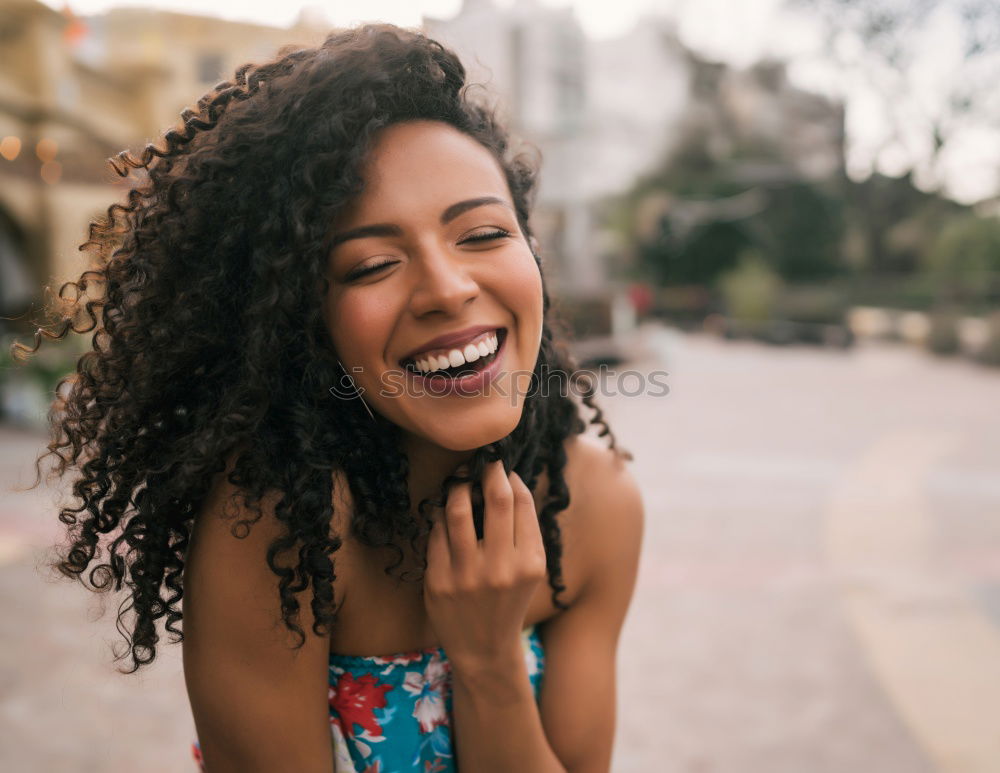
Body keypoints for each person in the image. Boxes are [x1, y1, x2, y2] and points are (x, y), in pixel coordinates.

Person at [15, 22, 644, 773]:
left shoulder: (595, 503)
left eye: (481, 234)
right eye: (373, 264)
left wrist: (489, 660)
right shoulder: (284, 527)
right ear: (299, 314)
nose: (448, 289)